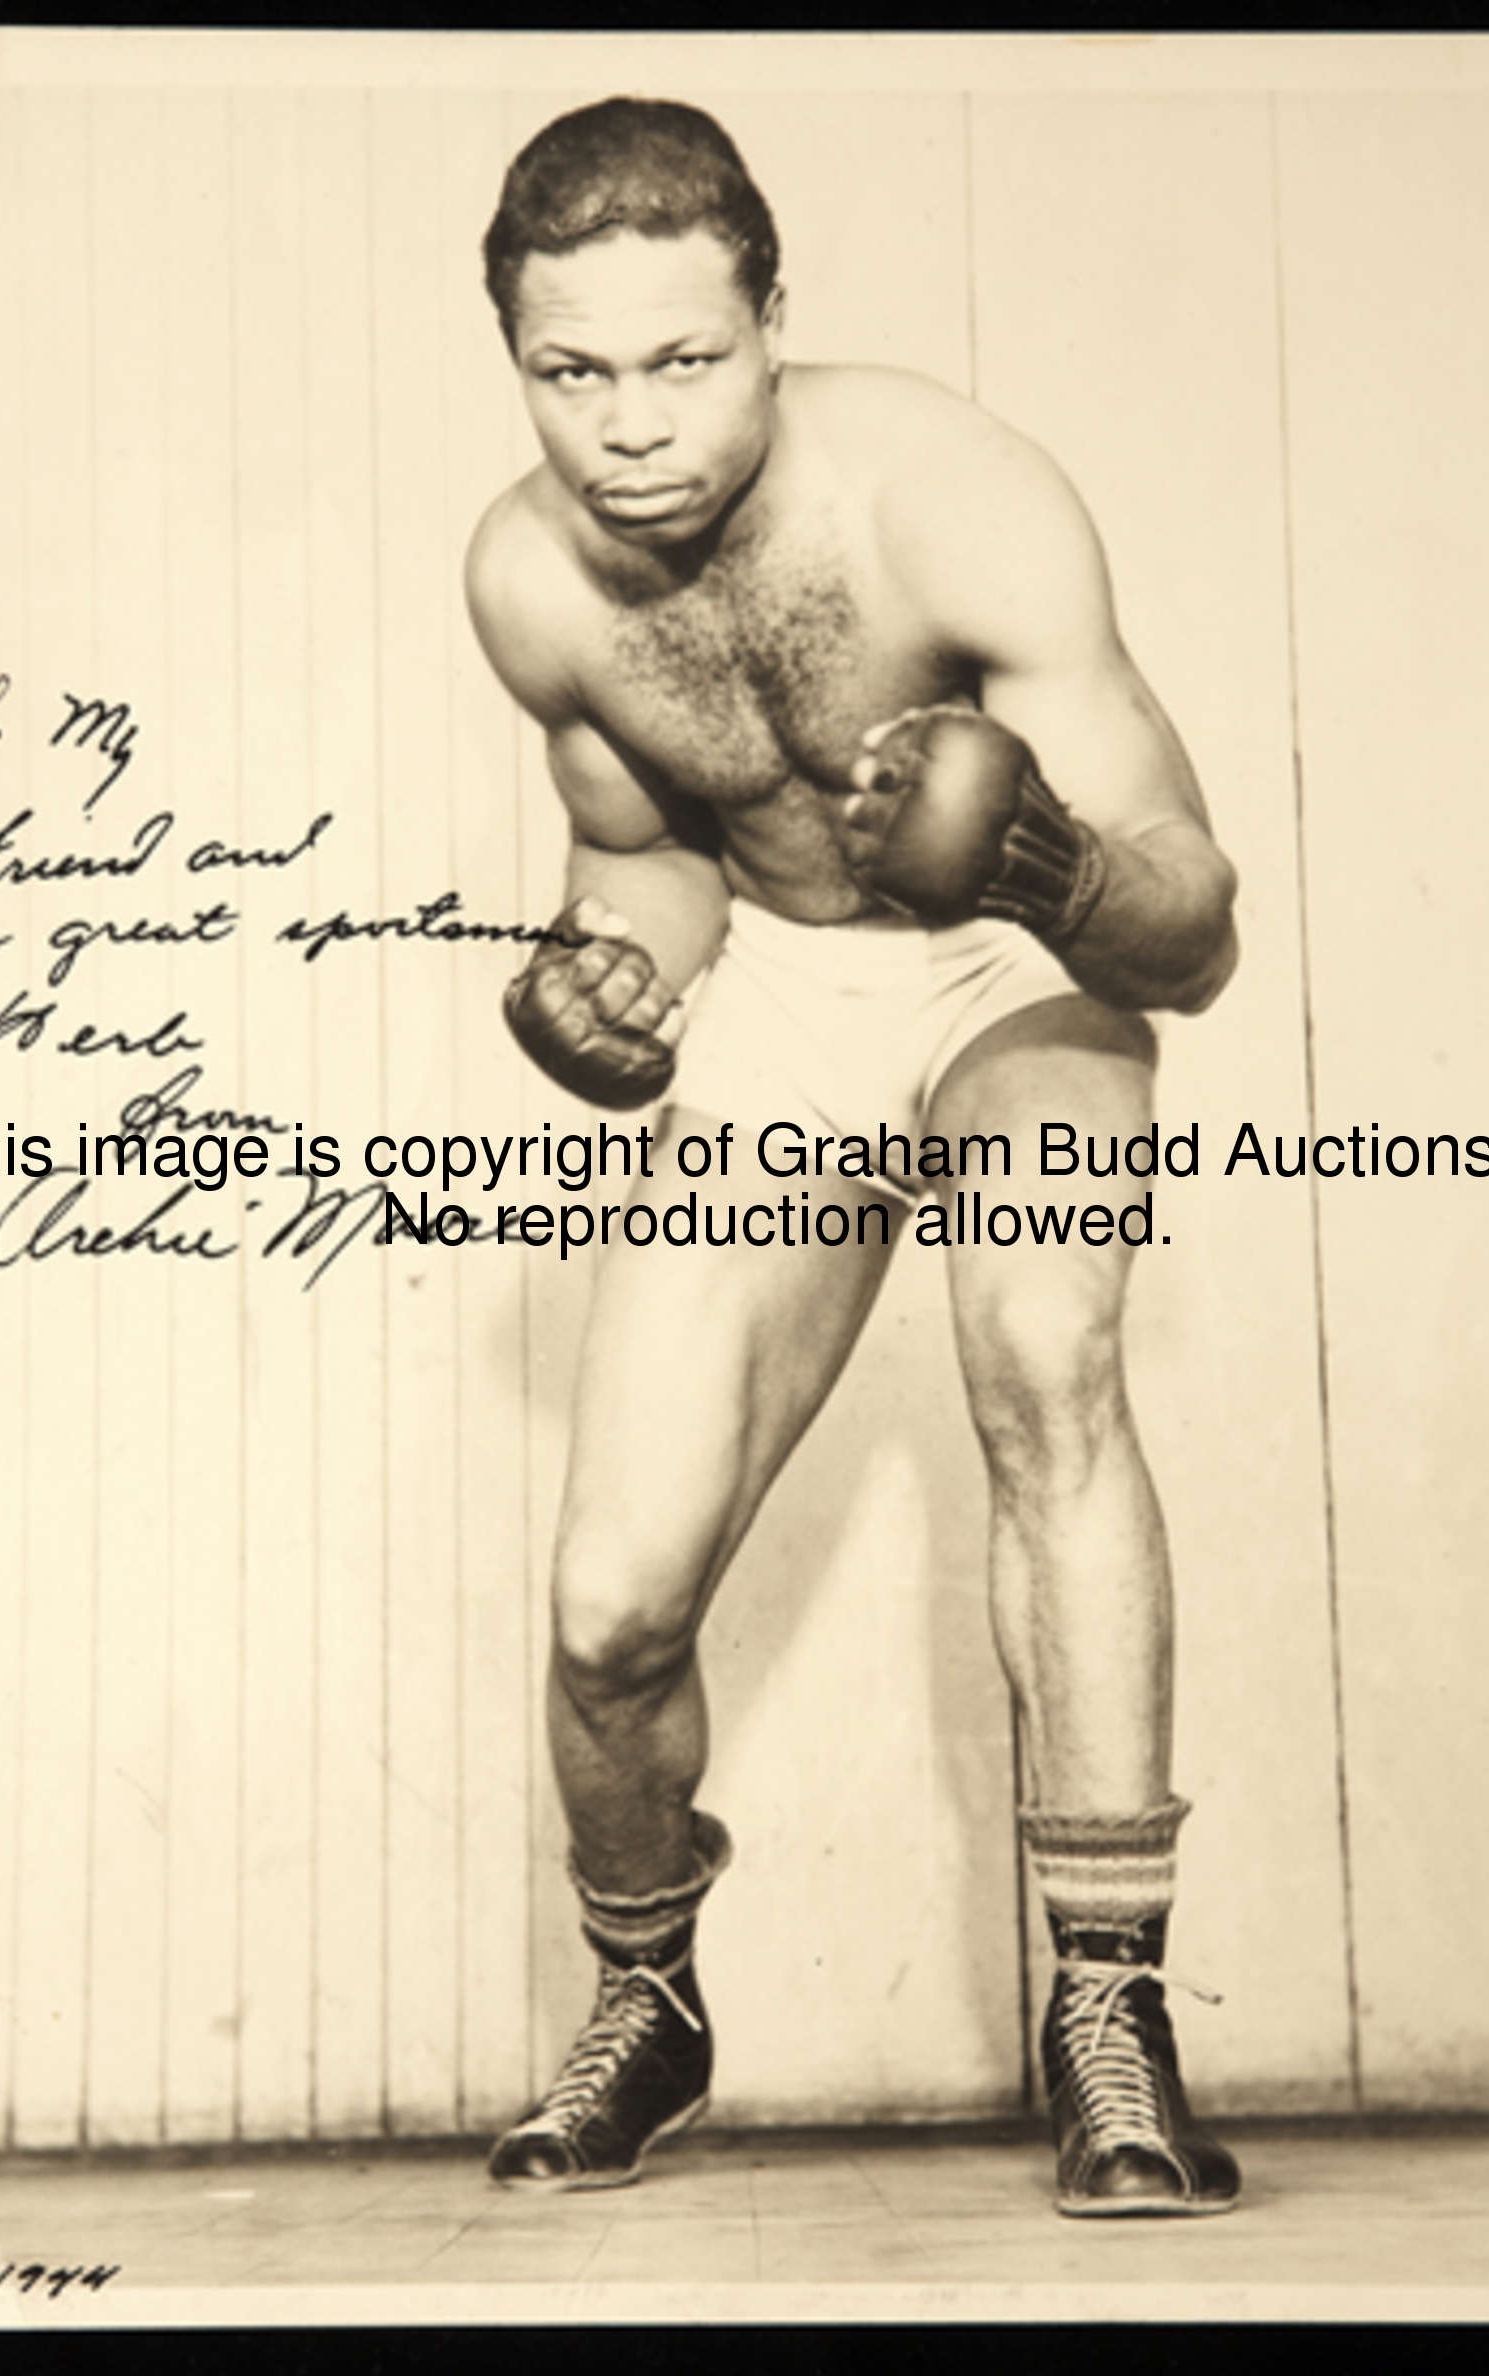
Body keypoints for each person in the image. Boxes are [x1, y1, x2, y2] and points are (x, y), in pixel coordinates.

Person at [465, 97, 1242, 2218]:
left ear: (772, 322)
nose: (629, 425)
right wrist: (593, 992)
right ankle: (650, 2000)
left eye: (684, 359)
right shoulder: (531, 583)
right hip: (790, 1005)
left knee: (1043, 1363)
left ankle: (1110, 2009)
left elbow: (1197, 933)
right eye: (572, 370)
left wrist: (1049, 856)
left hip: (1017, 967)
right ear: (516, 356)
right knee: (611, 1603)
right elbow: (646, 880)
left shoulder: (949, 502)